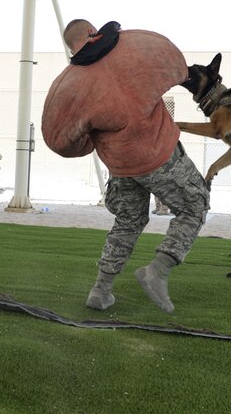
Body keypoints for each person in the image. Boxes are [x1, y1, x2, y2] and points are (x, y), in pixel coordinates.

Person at [42, 20, 210, 313]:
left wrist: (91, 144)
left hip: (120, 165)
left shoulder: (71, 84)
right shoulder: (136, 51)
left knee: (128, 222)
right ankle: (159, 269)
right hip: (158, 156)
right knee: (195, 205)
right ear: (93, 32)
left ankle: (101, 289)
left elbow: (59, 140)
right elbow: (176, 67)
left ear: (71, 46)